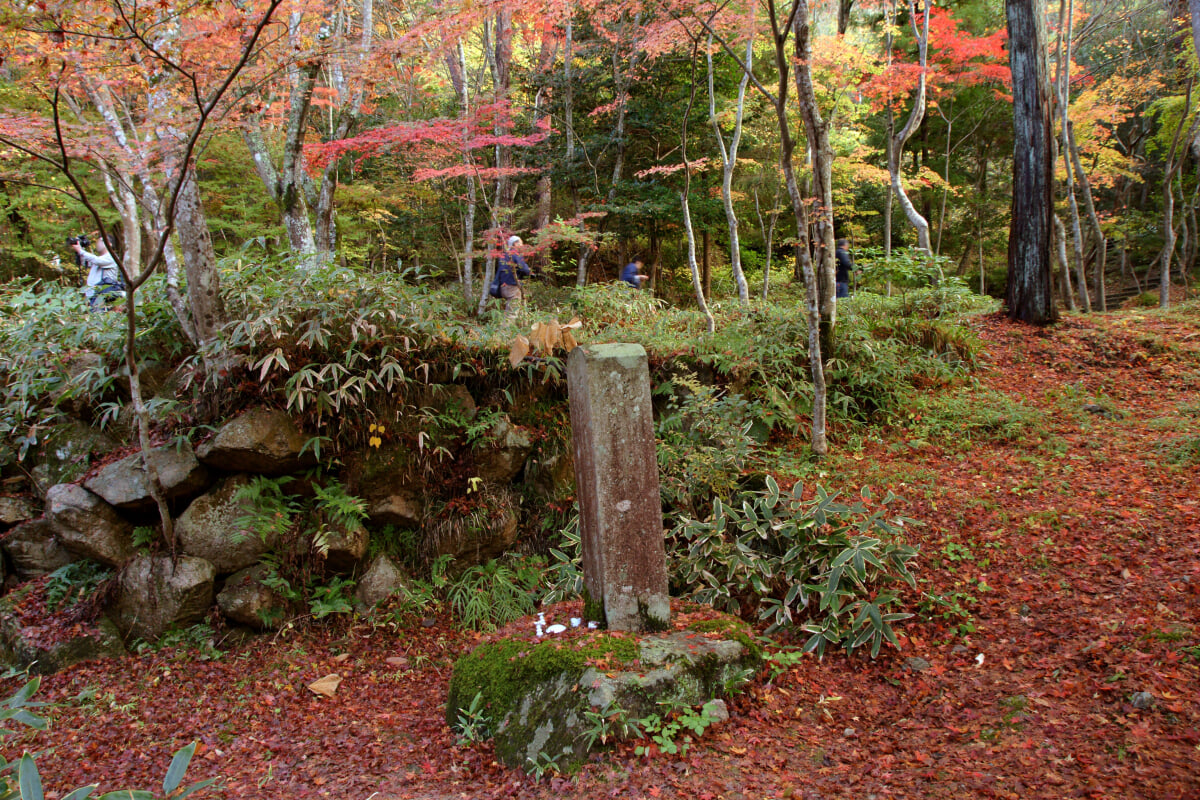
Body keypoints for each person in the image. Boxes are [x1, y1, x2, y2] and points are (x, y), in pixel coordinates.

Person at [72, 237, 125, 309]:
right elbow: (84, 262)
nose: (98, 244)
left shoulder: (112, 257)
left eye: (101, 241)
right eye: (98, 241)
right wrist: (79, 250)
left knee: (101, 316)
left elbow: (97, 260)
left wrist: (81, 251)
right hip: (93, 295)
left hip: (104, 295)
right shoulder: (98, 258)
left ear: (109, 244)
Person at [495, 235, 531, 318]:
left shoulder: (504, 255)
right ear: (515, 244)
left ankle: (521, 328)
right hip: (512, 285)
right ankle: (504, 331)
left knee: (519, 309)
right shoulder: (515, 254)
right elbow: (523, 268)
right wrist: (529, 272)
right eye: (521, 243)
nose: (522, 245)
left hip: (503, 286)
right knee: (511, 314)